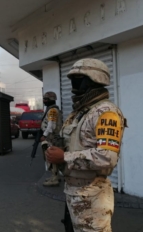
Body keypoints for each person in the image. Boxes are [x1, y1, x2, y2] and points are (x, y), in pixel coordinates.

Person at [46, 58, 127, 231]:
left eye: (78, 79)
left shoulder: (106, 113)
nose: (73, 84)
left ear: (94, 79)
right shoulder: (79, 113)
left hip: (93, 197)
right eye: (72, 79)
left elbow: (107, 158)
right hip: (73, 193)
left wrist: (64, 157)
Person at [39, 91, 63, 187]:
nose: (44, 101)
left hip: (51, 138)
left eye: (45, 99)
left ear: (50, 100)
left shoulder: (52, 111)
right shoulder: (51, 110)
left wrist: (44, 135)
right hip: (52, 137)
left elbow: (51, 125)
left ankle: (55, 178)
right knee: (51, 157)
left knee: (51, 157)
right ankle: (55, 176)